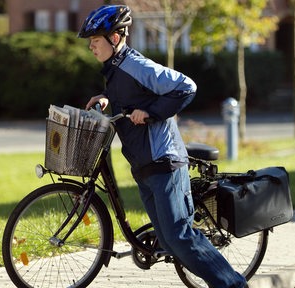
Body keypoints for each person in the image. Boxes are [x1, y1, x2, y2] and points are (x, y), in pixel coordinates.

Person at [79, 5, 247, 288]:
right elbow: (132, 93)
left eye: (95, 41)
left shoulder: (136, 65)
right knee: (169, 239)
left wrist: (152, 113)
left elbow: (186, 87)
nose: (92, 48)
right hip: (144, 164)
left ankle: (233, 285)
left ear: (115, 39)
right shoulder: (116, 69)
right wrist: (108, 98)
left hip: (163, 160)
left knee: (180, 236)